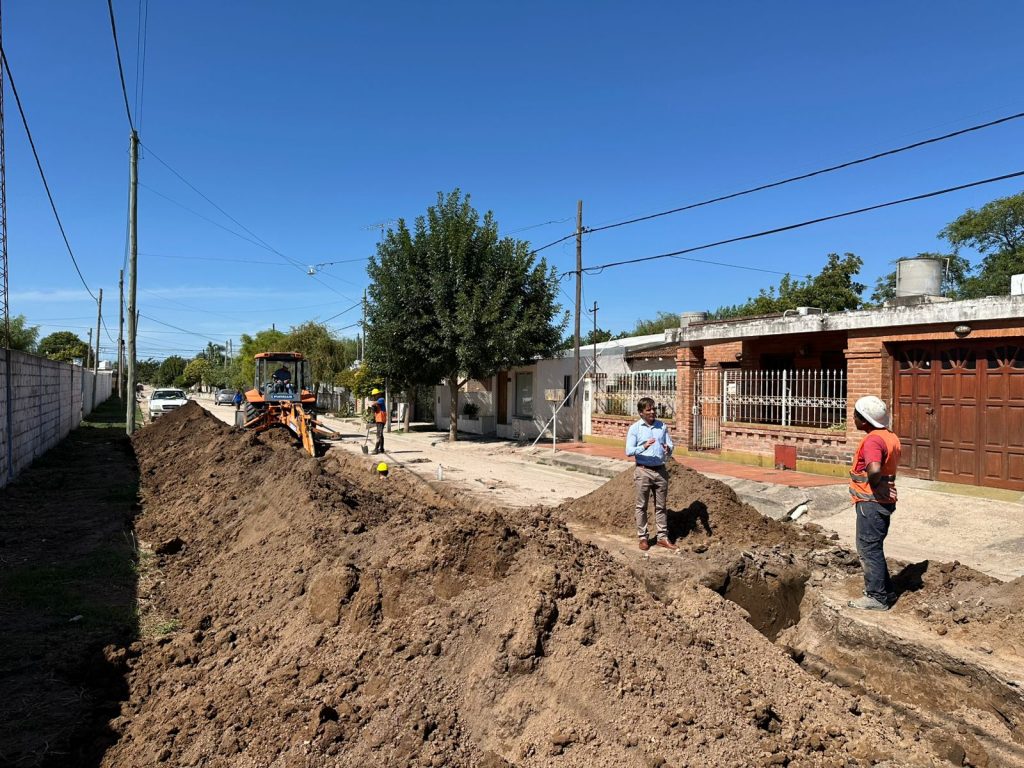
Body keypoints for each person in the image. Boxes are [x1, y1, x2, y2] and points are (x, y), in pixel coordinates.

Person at [847, 395, 902, 611]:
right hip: (883, 501)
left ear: (865, 420)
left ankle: (877, 597)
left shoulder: (872, 440)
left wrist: (873, 483)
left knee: (868, 548)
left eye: (856, 415)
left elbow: (875, 468)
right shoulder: (890, 437)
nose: (853, 418)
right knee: (874, 546)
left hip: (871, 502)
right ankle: (885, 590)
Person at [625, 397, 676, 552]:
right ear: (641, 413)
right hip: (643, 470)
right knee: (641, 506)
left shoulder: (662, 426)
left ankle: (662, 538)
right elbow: (628, 451)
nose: (653, 412)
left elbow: (670, 444)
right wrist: (643, 446)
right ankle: (643, 538)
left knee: (661, 506)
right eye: (648, 410)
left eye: (654, 409)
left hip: (660, 471)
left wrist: (668, 449)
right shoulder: (635, 429)